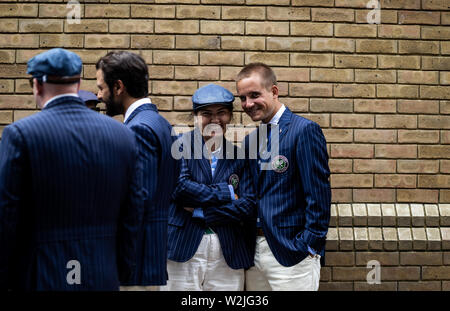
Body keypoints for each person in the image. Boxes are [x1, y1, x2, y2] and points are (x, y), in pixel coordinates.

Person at [0, 48, 143, 291]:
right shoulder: (122, 135)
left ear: (37, 84)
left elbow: (6, 214)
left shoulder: (21, 135)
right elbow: (134, 209)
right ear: (78, 83)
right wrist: (121, 268)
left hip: (41, 274)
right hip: (101, 273)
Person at [236, 63, 331, 291]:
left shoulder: (303, 131)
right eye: (242, 98)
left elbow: (318, 195)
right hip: (254, 255)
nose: (248, 104)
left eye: (254, 95)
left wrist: (309, 245)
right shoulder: (250, 141)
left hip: (292, 254)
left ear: (274, 91)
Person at [95, 51, 179, 291]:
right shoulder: (160, 123)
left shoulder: (138, 129)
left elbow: (137, 202)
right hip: (148, 257)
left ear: (118, 86)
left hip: (135, 263)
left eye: (101, 87)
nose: (99, 95)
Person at [166, 84, 256, 291]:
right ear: (196, 116)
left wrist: (200, 210)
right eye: (207, 113)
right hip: (183, 245)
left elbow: (248, 204)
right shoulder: (178, 146)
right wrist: (227, 192)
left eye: (221, 113)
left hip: (228, 249)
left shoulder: (239, 156)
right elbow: (180, 188)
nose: (215, 120)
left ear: (230, 116)